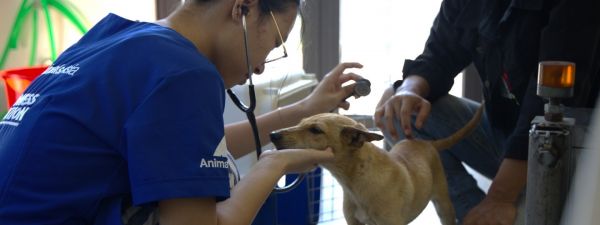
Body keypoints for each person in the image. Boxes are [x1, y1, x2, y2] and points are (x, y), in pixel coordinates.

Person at [0, 0, 366, 224]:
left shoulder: (120, 37)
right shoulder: (186, 71)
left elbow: (181, 152)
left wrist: (303, 110)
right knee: (219, 185)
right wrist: (274, 163)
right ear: (243, 7)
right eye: (272, 45)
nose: (260, 68)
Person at [374, 0, 600, 224]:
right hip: (505, 135)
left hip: (571, 154)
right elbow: (440, 54)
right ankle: (475, 217)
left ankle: (499, 210)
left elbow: (547, 102)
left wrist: (500, 197)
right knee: (401, 110)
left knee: (539, 210)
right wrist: (407, 90)